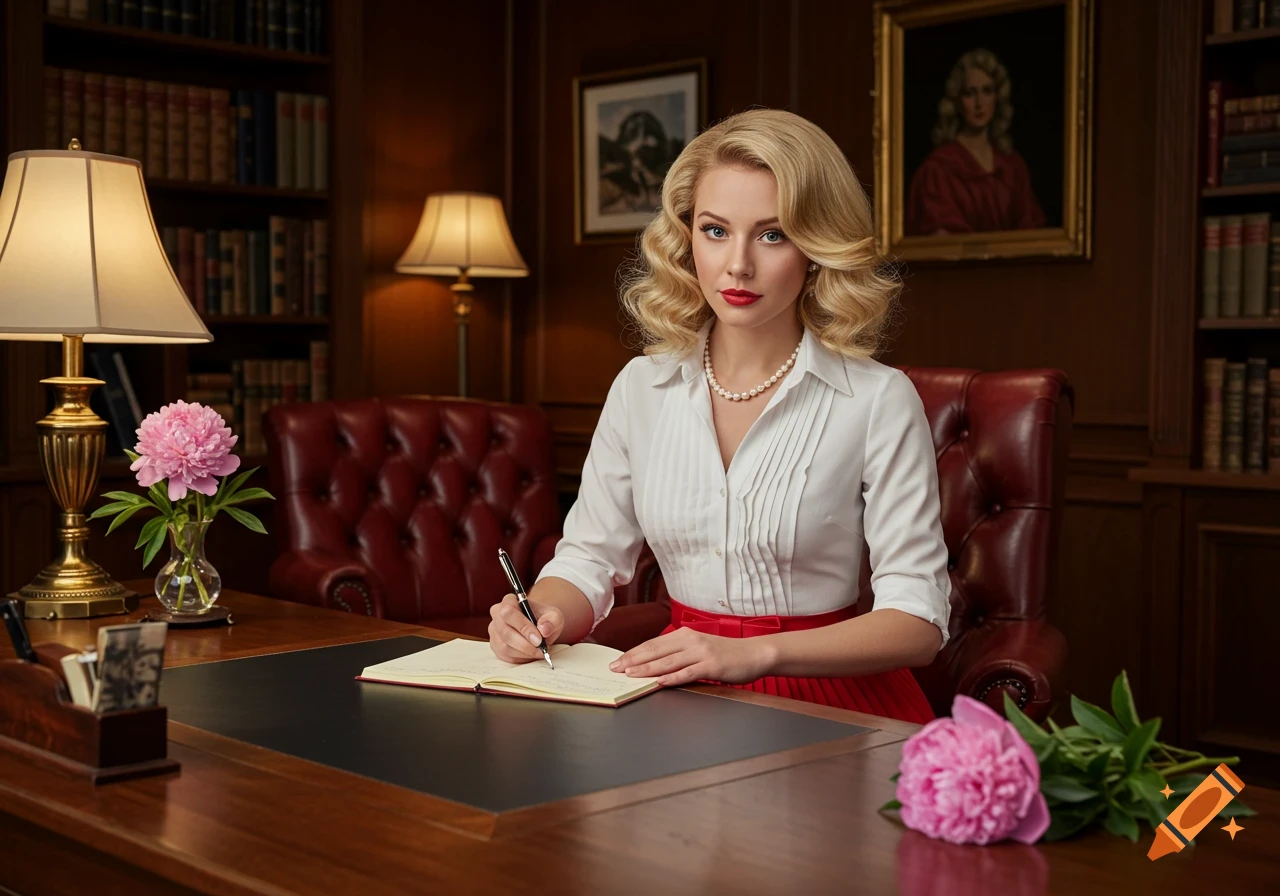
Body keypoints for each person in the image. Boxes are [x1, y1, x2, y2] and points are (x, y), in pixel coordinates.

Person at [488, 108, 950, 723]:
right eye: (714, 230)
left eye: (772, 234)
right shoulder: (640, 388)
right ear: (686, 239)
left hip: (829, 705)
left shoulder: (878, 400)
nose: (737, 265)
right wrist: (540, 612)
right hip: (677, 693)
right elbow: (588, 560)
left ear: (816, 247)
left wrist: (754, 654)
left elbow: (917, 620)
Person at [905, 48, 1046, 236]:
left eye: (987, 91)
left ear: (998, 96)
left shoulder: (1012, 165)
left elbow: (1031, 231)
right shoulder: (939, 168)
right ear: (957, 100)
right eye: (970, 93)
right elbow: (941, 237)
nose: (979, 103)